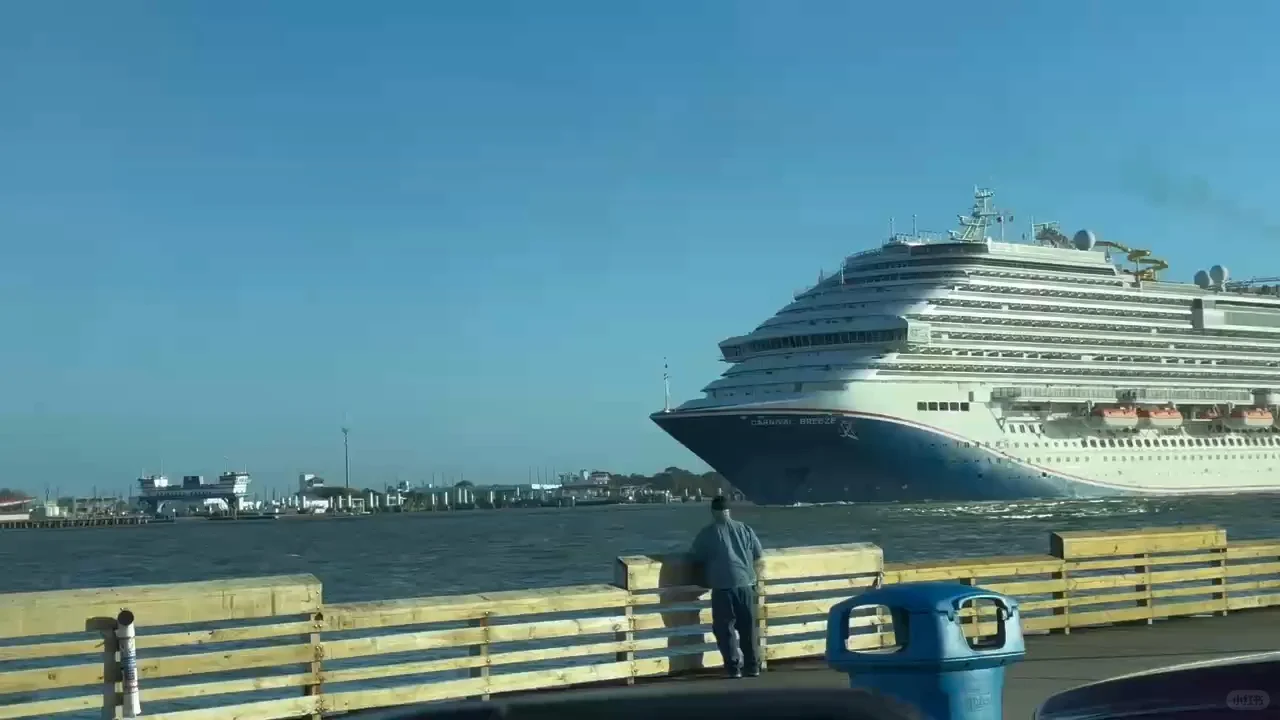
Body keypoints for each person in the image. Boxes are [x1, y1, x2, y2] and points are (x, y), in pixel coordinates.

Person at [688, 494, 764, 678]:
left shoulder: (708, 533)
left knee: (725, 629)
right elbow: (758, 554)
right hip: (746, 583)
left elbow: (695, 557)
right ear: (729, 511)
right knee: (747, 627)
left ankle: (733, 668)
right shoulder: (745, 528)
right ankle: (753, 666)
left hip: (722, 586)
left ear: (713, 512)